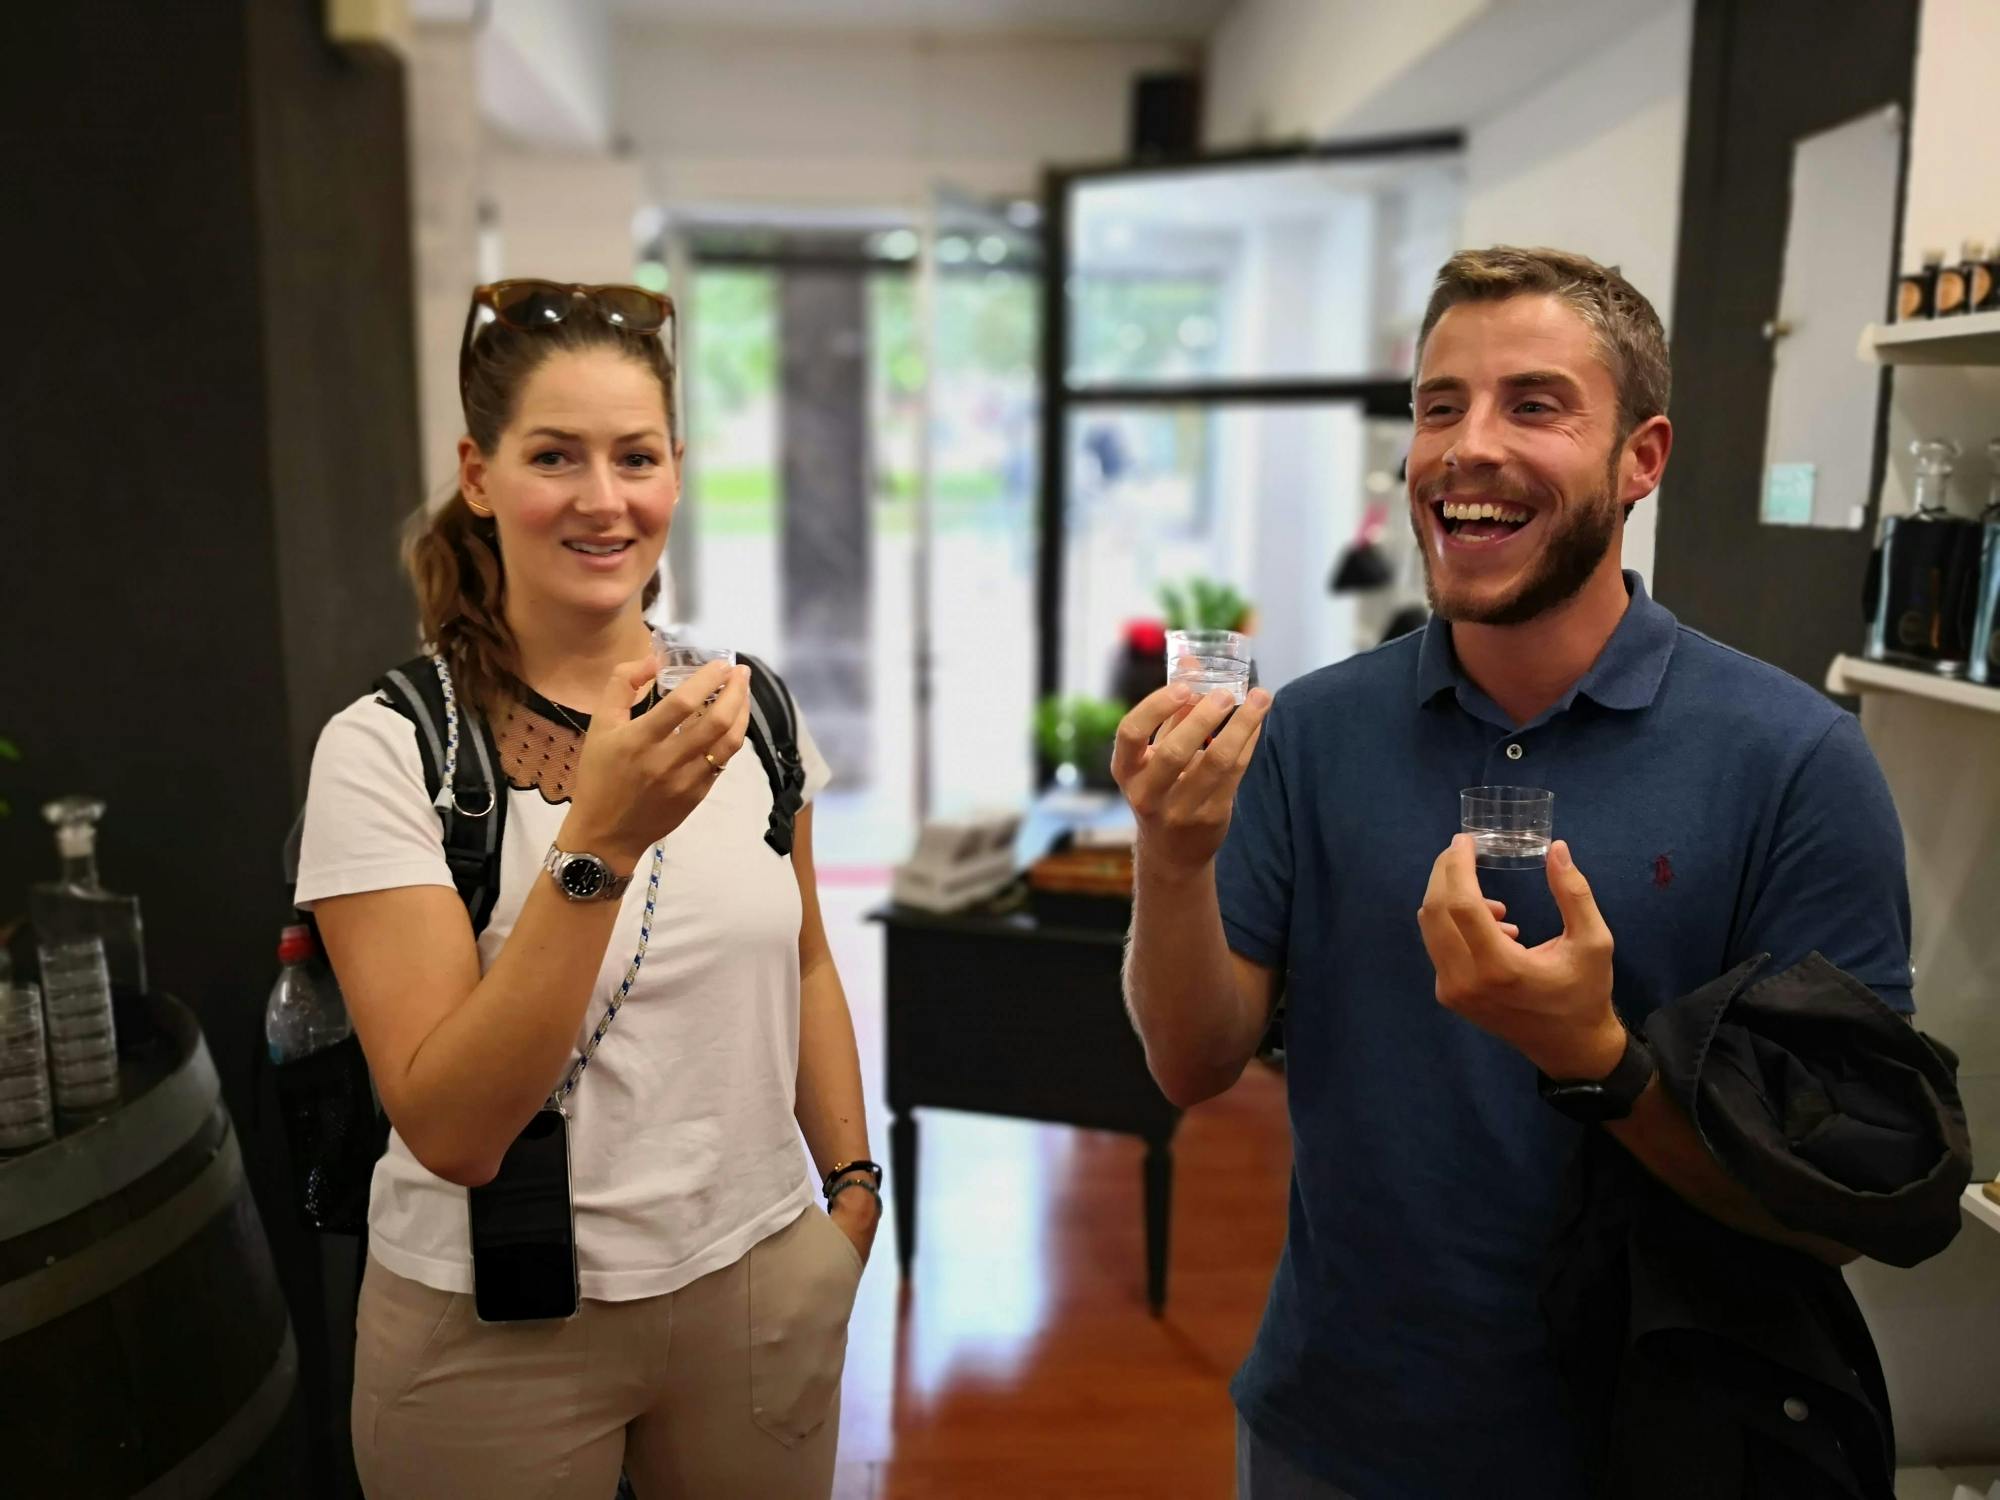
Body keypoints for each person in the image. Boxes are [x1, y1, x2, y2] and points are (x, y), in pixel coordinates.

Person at [1114, 247, 1915, 1499]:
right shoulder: (1312, 732)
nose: (1463, 447)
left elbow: (1839, 1206)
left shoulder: (1792, 761)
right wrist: (1170, 856)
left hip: (1658, 1450)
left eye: (1532, 405)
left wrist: (1592, 1058)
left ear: (1638, 459)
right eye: (1438, 406)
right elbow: (1191, 1059)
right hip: (1333, 1431)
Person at [295, 280, 878, 1498]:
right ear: (478, 472)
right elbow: (450, 1130)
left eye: (636, 456)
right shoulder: (390, 750)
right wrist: (599, 843)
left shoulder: (748, 706)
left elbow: (808, 960)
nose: (602, 499)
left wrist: (852, 1198)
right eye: (554, 456)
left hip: (756, 1279)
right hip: (488, 1326)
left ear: (677, 470)